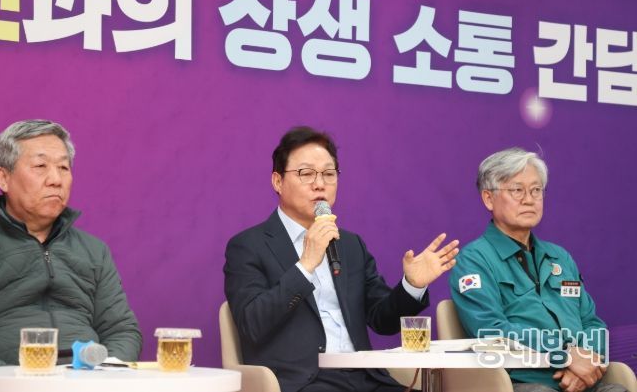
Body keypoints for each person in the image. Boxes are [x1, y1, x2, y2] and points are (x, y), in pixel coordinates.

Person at [224, 126, 459, 392]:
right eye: (306, 173)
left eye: (328, 174)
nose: (319, 184)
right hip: (304, 383)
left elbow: (382, 320)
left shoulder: (350, 245)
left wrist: (412, 285)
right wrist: (305, 266)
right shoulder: (249, 246)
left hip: (366, 379)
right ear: (278, 182)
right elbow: (252, 325)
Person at [449, 147, 626, 392]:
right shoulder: (474, 260)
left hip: (580, 380)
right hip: (522, 383)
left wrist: (588, 362)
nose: (529, 199)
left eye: (536, 190)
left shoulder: (560, 257)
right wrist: (564, 354)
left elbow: (591, 322)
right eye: (517, 190)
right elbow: (491, 330)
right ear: (488, 198)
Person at [0, 120, 142, 366]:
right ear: (3, 178)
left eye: (63, 167)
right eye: (40, 166)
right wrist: (9, 379)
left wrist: (106, 372)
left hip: (85, 379)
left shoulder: (94, 251)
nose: (56, 179)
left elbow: (122, 331)